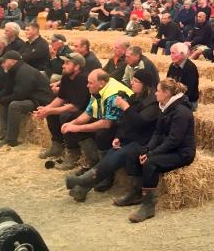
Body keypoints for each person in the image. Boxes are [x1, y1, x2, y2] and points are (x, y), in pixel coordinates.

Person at [65, 69, 160, 203]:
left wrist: (125, 107)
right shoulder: (135, 97)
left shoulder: (153, 103)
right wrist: (118, 137)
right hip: (130, 138)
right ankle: (83, 188)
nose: (131, 82)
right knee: (111, 153)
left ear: (146, 85)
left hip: (144, 142)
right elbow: (124, 121)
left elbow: (140, 123)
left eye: (136, 81)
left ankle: (83, 181)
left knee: (118, 155)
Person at [122, 78, 196, 223]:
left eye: (158, 90)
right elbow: (157, 133)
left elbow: (174, 141)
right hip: (168, 147)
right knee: (133, 153)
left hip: (182, 152)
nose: (155, 93)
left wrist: (151, 154)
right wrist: (147, 149)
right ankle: (136, 193)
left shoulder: (182, 112)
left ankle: (148, 206)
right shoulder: (165, 107)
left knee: (150, 163)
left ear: (167, 93)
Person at [60, 69, 133, 171]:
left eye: (90, 83)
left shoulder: (113, 95)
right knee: (70, 122)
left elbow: (107, 123)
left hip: (123, 126)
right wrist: (71, 124)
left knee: (102, 134)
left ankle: (103, 167)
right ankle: (92, 162)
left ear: (101, 83)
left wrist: (77, 128)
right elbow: (88, 113)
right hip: (106, 119)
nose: (87, 85)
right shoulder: (97, 89)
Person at [0, 51, 53, 148]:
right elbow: (8, 90)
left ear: (12, 61)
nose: (2, 64)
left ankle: (11, 140)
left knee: (14, 105)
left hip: (40, 100)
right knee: (4, 102)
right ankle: (4, 133)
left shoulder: (25, 71)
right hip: (29, 97)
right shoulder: (12, 70)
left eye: (4, 61)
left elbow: (20, 95)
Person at [33, 53, 90, 169]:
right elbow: (60, 98)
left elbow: (75, 107)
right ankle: (57, 145)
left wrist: (50, 110)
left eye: (67, 63)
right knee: (52, 113)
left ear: (77, 67)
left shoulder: (83, 79)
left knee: (65, 116)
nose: (63, 66)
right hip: (74, 106)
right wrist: (47, 109)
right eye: (64, 63)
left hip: (87, 110)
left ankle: (73, 153)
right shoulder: (66, 77)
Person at [167, 43, 199, 111]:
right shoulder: (172, 65)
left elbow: (188, 93)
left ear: (182, 54)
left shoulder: (190, 68)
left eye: (173, 53)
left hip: (188, 102)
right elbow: (167, 83)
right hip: (174, 97)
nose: (171, 55)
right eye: (171, 53)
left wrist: (171, 100)